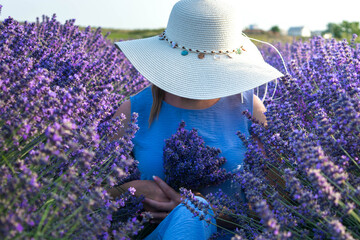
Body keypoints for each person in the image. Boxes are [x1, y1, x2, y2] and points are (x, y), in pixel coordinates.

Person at [107, 0, 284, 239]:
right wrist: (131, 191)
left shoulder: (250, 109)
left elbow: (280, 203)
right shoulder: (132, 111)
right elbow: (91, 196)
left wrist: (206, 210)